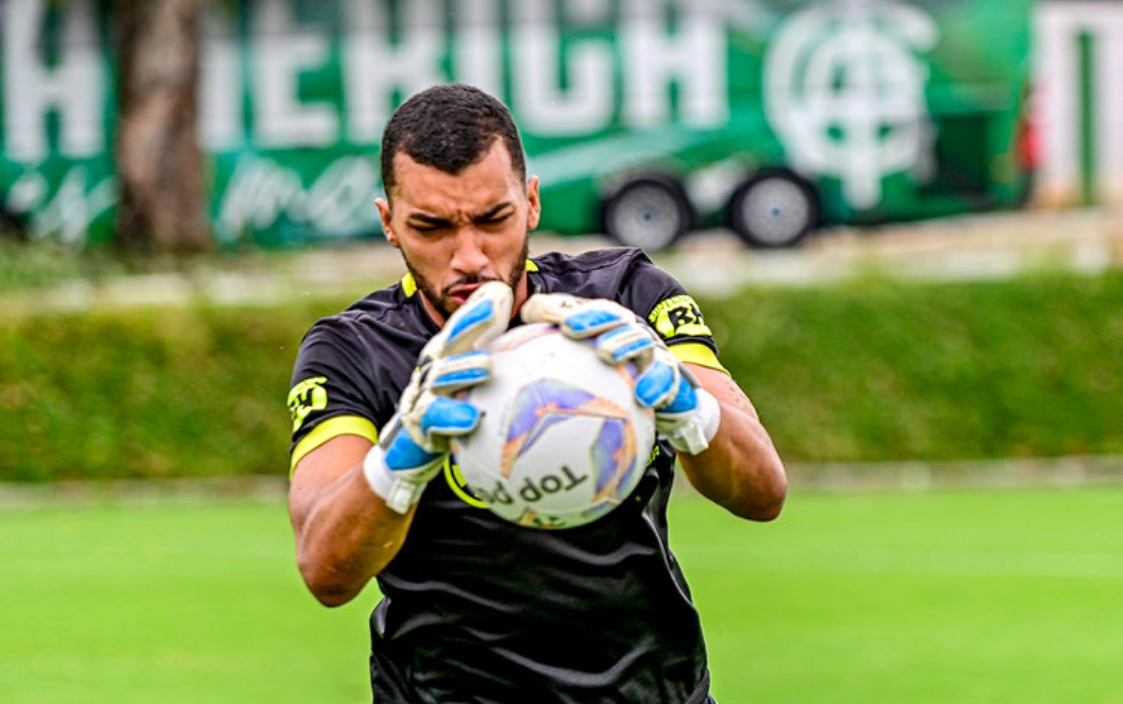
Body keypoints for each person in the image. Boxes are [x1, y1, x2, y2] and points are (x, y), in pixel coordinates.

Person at [287, 83, 787, 703]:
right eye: (432, 227)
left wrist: (683, 401)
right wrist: (404, 452)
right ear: (389, 223)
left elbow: (763, 492)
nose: (469, 257)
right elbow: (326, 570)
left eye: (493, 219)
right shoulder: (352, 352)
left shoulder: (627, 295)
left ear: (531, 202)